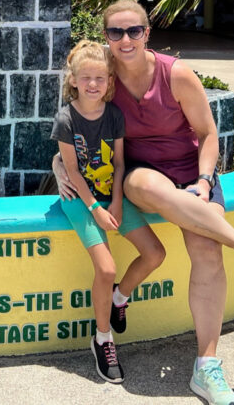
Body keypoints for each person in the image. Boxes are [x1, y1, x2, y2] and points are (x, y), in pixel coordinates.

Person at [54, 0, 234, 405]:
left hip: (191, 170)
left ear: (147, 33)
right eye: (116, 32)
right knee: (145, 189)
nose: (126, 39)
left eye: (134, 30)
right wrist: (59, 164)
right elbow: (76, 123)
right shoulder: (103, 78)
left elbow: (207, 134)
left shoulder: (175, 74)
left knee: (206, 251)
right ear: (106, 37)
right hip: (141, 174)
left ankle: (207, 368)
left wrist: (204, 181)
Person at [50, 40, 164, 384]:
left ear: (108, 81)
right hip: (80, 200)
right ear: (74, 80)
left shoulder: (114, 115)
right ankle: (103, 338)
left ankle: (120, 297)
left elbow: (119, 164)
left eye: (100, 78)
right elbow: (70, 170)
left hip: (109, 197)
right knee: (106, 267)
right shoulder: (66, 119)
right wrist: (96, 209)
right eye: (86, 78)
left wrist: (115, 202)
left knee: (155, 253)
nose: (93, 85)